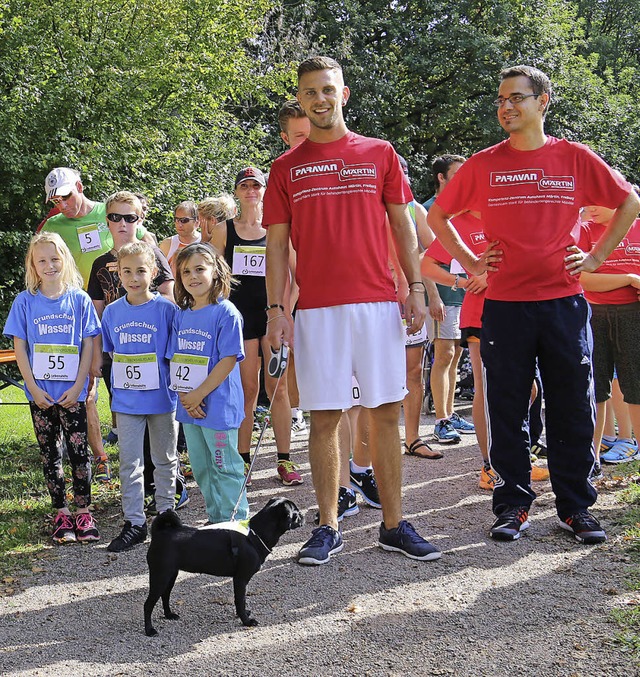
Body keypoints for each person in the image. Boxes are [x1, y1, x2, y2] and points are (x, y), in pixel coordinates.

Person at [427, 64, 640, 544]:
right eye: (501, 99)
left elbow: (628, 202)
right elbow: (439, 215)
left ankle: (576, 508)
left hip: (565, 303)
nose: (506, 107)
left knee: (572, 407)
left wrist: (597, 255)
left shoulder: (575, 157)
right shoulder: (483, 164)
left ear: (543, 102)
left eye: (517, 98)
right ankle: (511, 505)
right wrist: (469, 260)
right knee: (507, 408)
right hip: (504, 306)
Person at [264, 55, 440, 564]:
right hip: (317, 310)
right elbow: (276, 247)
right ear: (300, 99)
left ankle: (393, 523)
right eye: (310, 92)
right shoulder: (284, 168)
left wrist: (414, 286)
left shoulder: (380, 152)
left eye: (328, 89)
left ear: (344, 93)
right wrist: (277, 309)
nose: (320, 99)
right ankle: (326, 525)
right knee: (324, 417)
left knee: (385, 413)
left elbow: (403, 228)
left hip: (378, 304)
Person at [39, 168, 152, 482]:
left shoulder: (112, 212)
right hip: (77, 310)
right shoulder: (53, 224)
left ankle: (150, 453)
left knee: (129, 383)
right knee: (87, 388)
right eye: (56, 199)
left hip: (126, 310)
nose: (62, 203)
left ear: (79, 186)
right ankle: (100, 457)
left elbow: (147, 244)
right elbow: (41, 259)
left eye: (67, 195)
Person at [86, 191, 186, 512]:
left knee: (161, 439)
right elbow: (97, 317)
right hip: (121, 360)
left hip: (156, 362)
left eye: (130, 217)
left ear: (139, 220)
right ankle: (136, 506)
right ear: (107, 222)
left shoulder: (153, 255)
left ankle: (166, 495)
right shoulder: (100, 264)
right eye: (116, 217)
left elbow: (170, 301)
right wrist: (96, 359)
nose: (123, 223)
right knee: (130, 431)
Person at [3, 232, 101, 543]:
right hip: (41, 394)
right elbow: (20, 348)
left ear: (65, 260)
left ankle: (83, 511)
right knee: (49, 453)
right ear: (33, 264)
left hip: (72, 393)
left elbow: (88, 344)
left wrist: (80, 385)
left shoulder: (79, 299)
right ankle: (60, 511)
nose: (49, 265)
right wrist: (31, 387)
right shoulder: (25, 302)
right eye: (42, 260)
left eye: (55, 259)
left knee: (78, 452)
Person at [208, 167, 302, 486]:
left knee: (277, 388)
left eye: (256, 186)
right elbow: (213, 277)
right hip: (240, 318)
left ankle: (285, 460)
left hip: (272, 316)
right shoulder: (224, 230)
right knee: (248, 389)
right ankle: (243, 459)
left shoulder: (278, 229)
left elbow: (298, 277)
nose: (251, 190)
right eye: (244, 185)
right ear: (237, 192)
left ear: (264, 191)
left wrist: (285, 313)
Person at [101, 241, 179, 552]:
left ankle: (166, 517)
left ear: (154, 273)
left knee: (164, 459)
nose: (134, 278)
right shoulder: (111, 312)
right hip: (127, 401)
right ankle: (134, 522)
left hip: (161, 399)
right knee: (129, 462)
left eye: (141, 271)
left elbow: (174, 355)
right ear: (118, 275)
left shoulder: (167, 309)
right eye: (127, 272)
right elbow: (111, 352)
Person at [168, 243, 249, 523]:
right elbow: (175, 359)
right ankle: (217, 518)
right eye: (186, 271)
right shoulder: (182, 314)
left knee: (224, 466)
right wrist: (186, 397)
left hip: (217, 406)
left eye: (200, 269)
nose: (193, 276)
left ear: (216, 271)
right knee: (202, 468)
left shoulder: (226, 313)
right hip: (191, 408)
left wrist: (200, 393)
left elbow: (228, 360)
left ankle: (236, 522)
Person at [579, 203, 640, 467]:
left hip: (633, 314)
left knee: (636, 387)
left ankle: (633, 450)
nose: (589, 207)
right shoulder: (583, 230)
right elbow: (582, 279)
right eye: (587, 201)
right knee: (596, 387)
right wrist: (629, 278)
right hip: (594, 314)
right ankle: (591, 459)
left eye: (596, 201)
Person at [422, 155, 475, 444]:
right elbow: (423, 259)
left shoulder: (464, 210)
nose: (465, 179)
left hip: (464, 292)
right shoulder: (430, 210)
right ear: (441, 177)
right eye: (458, 174)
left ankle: (451, 412)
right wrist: (432, 296)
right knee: (443, 354)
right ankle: (440, 420)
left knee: (454, 355)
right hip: (442, 295)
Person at [159, 201, 201, 275]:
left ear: (197, 222)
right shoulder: (167, 244)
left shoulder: (205, 242)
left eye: (184, 220)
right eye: (176, 220)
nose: (179, 224)